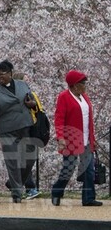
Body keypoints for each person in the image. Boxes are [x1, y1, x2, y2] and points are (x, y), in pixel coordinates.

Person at [0, 60, 38, 203]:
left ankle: (14, 183)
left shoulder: (22, 84)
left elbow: (32, 99)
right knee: (13, 162)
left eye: (1, 74)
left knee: (30, 158)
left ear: (10, 73)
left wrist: (32, 104)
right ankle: (17, 193)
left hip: (26, 126)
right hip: (8, 130)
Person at [51, 70, 103, 207]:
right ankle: (56, 192)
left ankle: (88, 198)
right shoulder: (64, 97)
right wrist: (60, 138)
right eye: (83, 83)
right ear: (74, 85)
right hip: (71, 139)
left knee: (89, 169)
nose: (85, 86)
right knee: (69, 168)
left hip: (86, 139)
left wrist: (92, 138)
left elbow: (88, 120)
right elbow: (59, 119)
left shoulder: (84, 97)